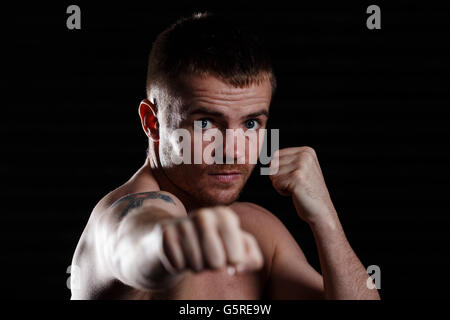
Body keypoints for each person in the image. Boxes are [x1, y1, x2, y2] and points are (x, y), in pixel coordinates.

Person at [70, 12, 380, 300]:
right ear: (153, 122)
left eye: (250, 123)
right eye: (205, 123)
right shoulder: (118, 216)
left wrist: (325, 218)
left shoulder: (258, 231)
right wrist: (168, 243)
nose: (232, 150)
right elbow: (128, 240)